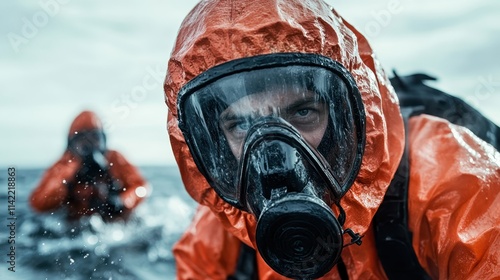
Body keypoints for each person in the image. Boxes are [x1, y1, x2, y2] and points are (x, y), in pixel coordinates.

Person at [163, 0, 500, 279]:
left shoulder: (450, 179)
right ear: (216, 144)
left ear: (343, 113)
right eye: (239, 125)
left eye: (302, 113)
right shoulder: (228, 228)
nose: (275, 158)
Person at [30, 110, 149, 222]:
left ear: (104, 140)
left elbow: (141, 187)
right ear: (71, 145)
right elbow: (38, 203)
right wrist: (68, 177)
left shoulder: (114, 158)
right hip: (75, 227)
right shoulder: (64, 164)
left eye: (95, 138)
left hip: (113, 224)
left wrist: (123, 201)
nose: (90, 146)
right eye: (83, 140)